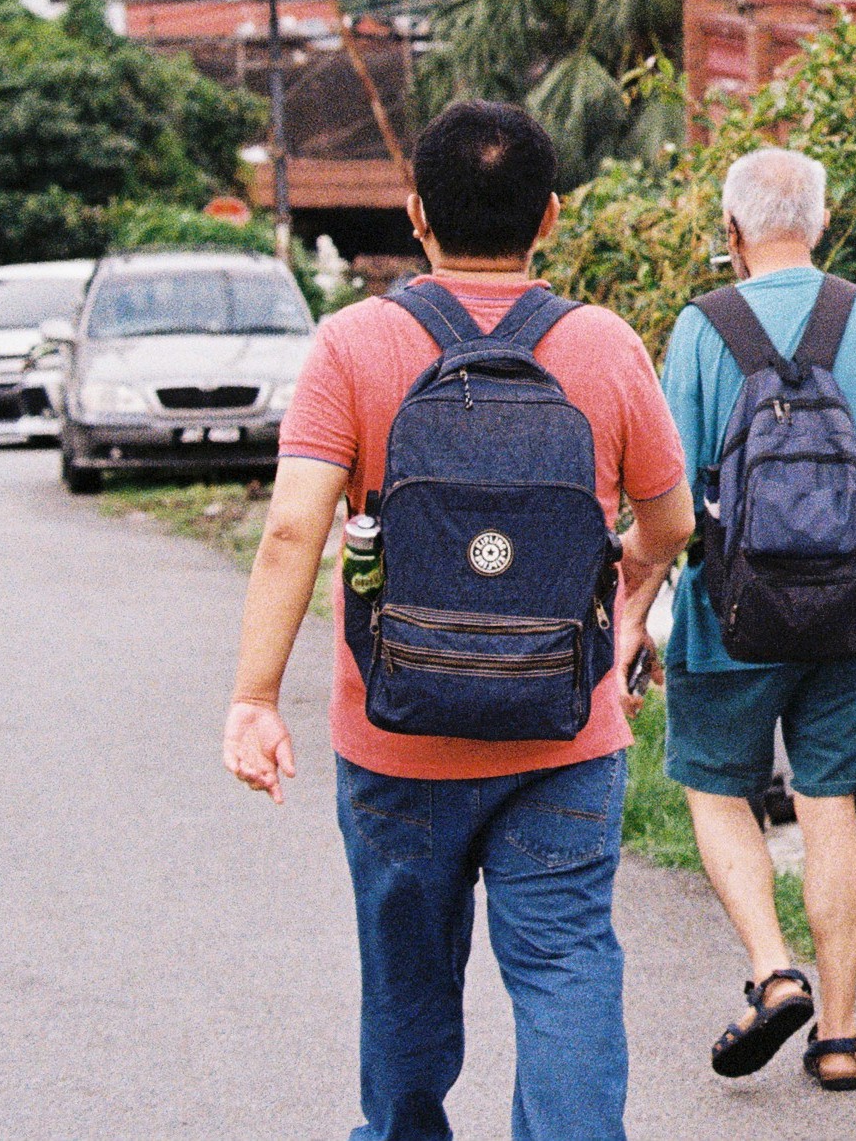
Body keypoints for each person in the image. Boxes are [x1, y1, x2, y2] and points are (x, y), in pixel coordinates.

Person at [222, 100, 693, 1141]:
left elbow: (293, 532)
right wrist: (624, 608)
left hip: (395, 739)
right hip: (562, 738)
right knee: (566, 967)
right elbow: (671, 522)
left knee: (404, 985)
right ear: (551, 216)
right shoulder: (606, 347)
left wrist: (255, 698)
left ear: (416, 215)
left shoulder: (351, 346)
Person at [656, 146, 856, 1094]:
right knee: (830, 811)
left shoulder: (702, 328)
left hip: (728, 613)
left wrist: (630, 607)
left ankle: (771, 966)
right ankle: (838, 1033)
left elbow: (667, 495)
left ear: (732, 232)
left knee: (715, 790)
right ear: (819, 225)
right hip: (850, 615)